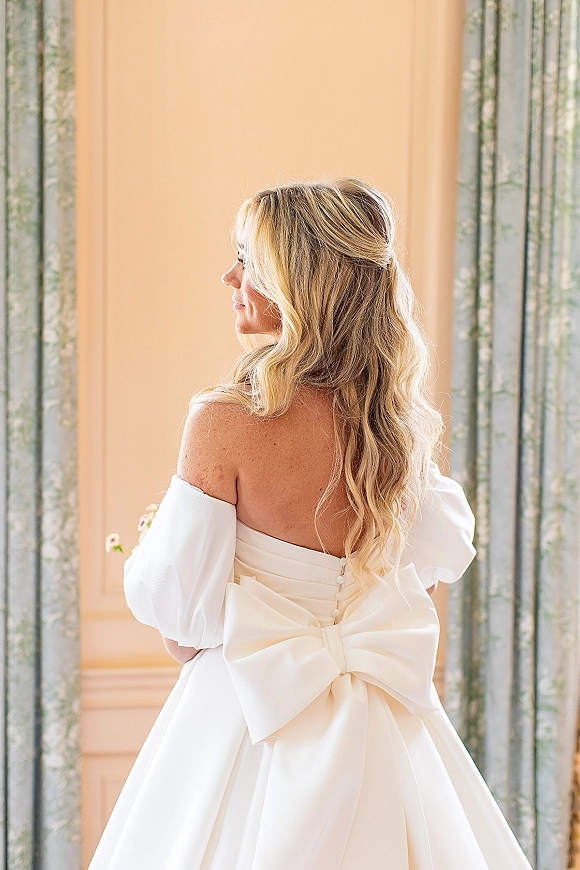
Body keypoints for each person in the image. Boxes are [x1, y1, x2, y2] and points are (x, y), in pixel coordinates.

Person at [88, 179, 533, 869]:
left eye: (248, 259)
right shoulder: (394, 428)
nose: (229, 277)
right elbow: (429, 575)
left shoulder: (224, 420)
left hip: (244, 717)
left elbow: (187, 629)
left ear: (299, 280)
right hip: (388, 724)